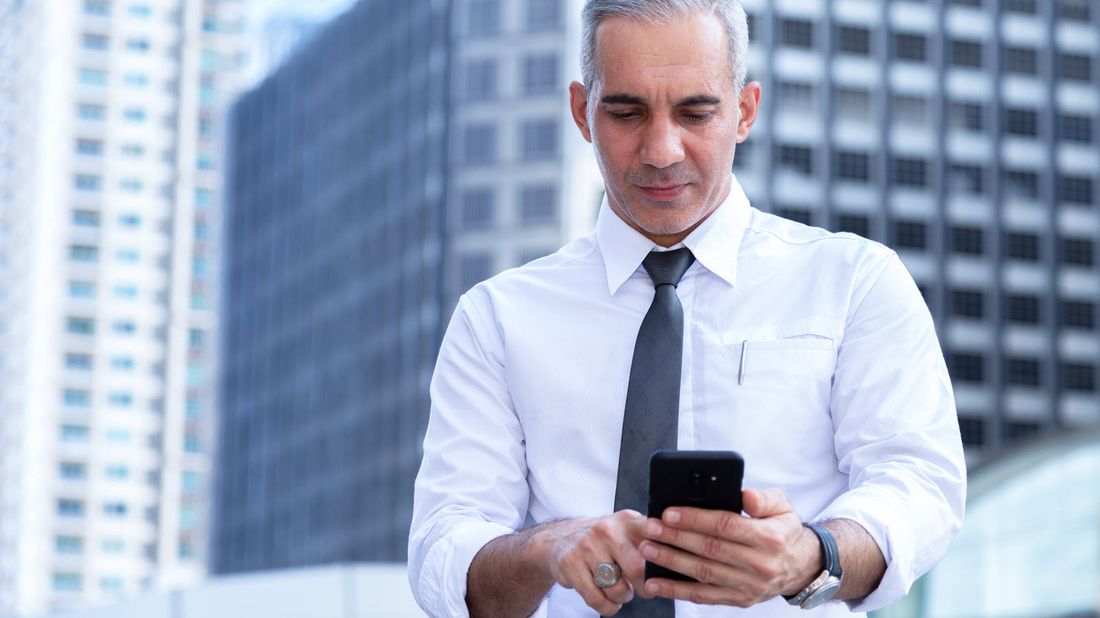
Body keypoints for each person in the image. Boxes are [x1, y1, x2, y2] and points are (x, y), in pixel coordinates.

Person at [408, 0, 966, 616]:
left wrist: (811, 555)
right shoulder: (497, 319)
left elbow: (919, 486)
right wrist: (548, 546)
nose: (662, 150)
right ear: (581, 112)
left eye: (695, 112)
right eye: (626, 112)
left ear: (745, 111)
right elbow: (442, 545)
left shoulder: (855, 283)